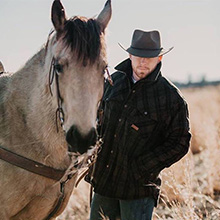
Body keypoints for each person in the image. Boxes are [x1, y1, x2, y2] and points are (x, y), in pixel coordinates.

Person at [86, 29, 191, 220]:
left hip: (137, 190)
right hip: (104, 182)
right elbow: (97, 119)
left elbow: (180, 142)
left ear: (159, 58)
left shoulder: (171, 98)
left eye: (149, 57)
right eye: (138, 56)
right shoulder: (112, 82)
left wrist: (142, 167)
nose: (143, 62)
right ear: (129, 55)